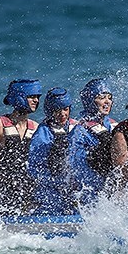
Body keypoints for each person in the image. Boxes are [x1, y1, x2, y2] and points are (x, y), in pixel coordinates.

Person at [0, 78, 42, 214]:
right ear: (19, 97)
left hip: (28, 191)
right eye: (31, 97)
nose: (36, 100)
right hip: (3, 191)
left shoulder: (35, 127)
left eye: (37, 97)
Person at [67, 78, 119, 206]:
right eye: (101, 98)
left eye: (109, 98)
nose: (107, 102)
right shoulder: (79, 132)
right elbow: (75, 169)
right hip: (89, 194)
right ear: (90, 101)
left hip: (111, 191)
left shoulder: (114, 126)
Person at [28, 87, 79, 215]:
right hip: (49, 190)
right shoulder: (43, 133)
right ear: (50, 111)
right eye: (57, 110)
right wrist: (55, 182)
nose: (62, 114)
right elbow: (35, 166)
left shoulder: (76, 127)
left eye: (65, 109)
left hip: (71, 187)